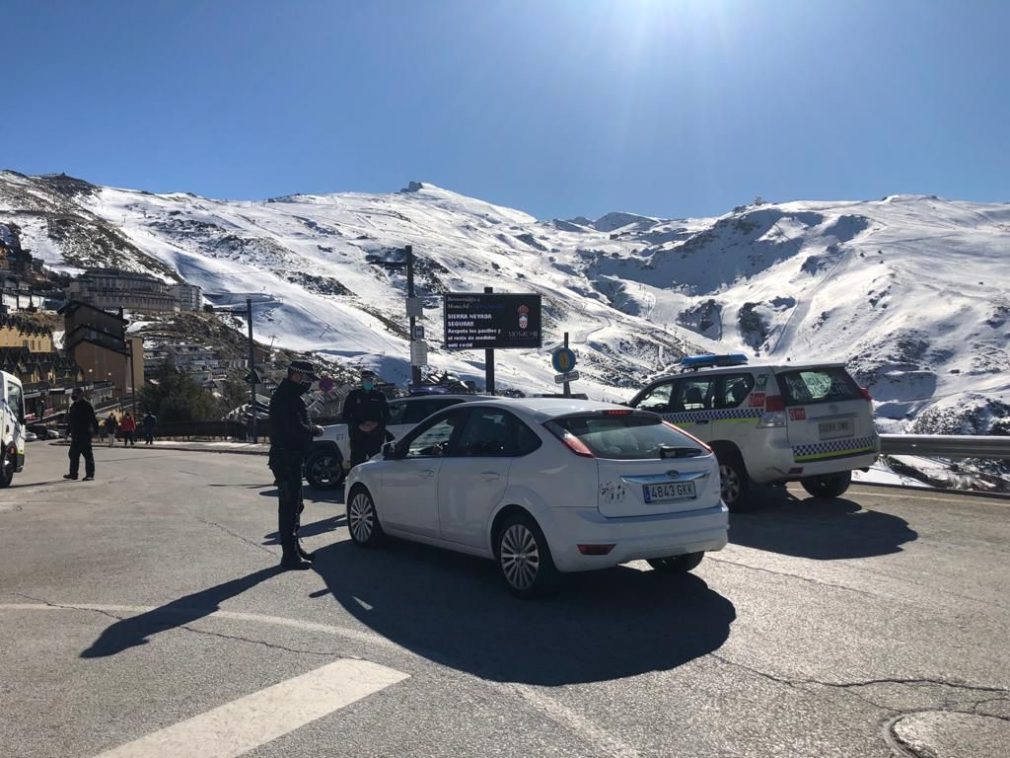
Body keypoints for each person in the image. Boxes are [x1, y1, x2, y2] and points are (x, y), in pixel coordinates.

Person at [268, 360, 324, 570]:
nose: (309, 383)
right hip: (286, 459)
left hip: (292, 457)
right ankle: (289, 556)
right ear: (296, 376)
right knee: (289, 507)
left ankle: (294, 548)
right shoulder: (285, 399)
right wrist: (314, 430)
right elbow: (294, 429)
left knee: (296, 505)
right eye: (307, 379)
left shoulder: (290, 397)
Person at [342, 370, 391, 467]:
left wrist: (375, 425)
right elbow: (346, 415)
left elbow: (387, 416)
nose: (367, 382)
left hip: (375, 437)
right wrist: (359, 425)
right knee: (357, 465)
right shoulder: (353, 395)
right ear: (361, 380)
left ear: (373, 381)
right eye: (365, 379)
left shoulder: (379, 396)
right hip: (358, 437)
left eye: (370, 380)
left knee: (376, 465)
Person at [64, 387, 100, 481]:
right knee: (73, 454)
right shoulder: (73, 406)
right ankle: (73, 474)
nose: (74, 396)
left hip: (84, 434)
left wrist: (96, 432)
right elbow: (71, 421)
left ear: (81, 395)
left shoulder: (87, 405)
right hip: (75, 435)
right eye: (73, 394)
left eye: (75, 394)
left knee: (87, 455)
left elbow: (93, 419)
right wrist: (67, 432)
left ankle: (90, 475)